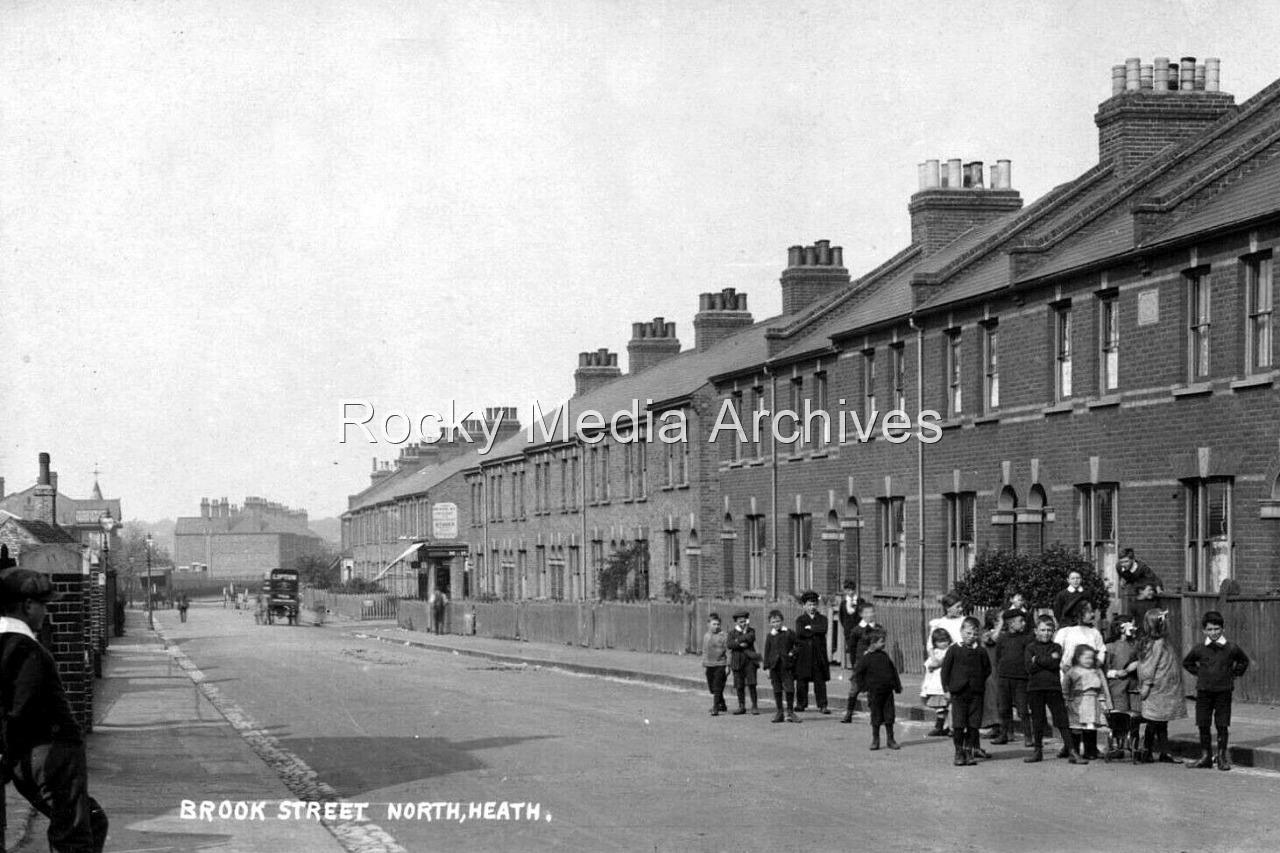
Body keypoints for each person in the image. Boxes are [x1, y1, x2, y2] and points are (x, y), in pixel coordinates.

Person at [0, 568, 109, 853]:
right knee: (73, 838)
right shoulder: (31, 652)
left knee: (94, 820)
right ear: (27, 606)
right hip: (51, 757)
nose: (46, 613)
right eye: (44, 605)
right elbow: (18, 710)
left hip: (30, 761)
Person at [1182, 610, 1250, 771]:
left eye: (1216, 629)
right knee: (1203, 723)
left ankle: (1221, 757)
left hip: (1223, 690)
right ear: (1204, 630)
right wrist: (1201, 674)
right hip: (1204, 690)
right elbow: (1187, 663)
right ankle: (1206, 756)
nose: (1213, 632)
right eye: (1210, 629)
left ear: (1222, 629)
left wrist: (1232, 674)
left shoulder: (1231, 648)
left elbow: (1243, 661)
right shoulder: (1199, 649)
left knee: (1222, 724)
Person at [1024, 615, 1080, 764]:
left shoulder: (1056, 647)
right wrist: (1047, 659)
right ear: (1035, 631)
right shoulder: (1030, 647)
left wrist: (1038, 660)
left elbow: (1055, 663)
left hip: (1053, 687)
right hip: (1035, 688)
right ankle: (1037, 751)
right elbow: (1029, 668)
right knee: (1037, 720)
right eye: (1042, 630)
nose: (1046, 633)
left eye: (1049, 630)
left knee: (1061, 719)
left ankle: (1072, 751)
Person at [1135, 608, 1186, 764]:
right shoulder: (1158, 643)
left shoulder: (1160, 642)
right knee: (1154, 720)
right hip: (1158, 687)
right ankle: (1147, 750)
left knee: (1160, 721)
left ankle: (1162, 751)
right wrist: (1147, 684)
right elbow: (1149, 666)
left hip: (1164, 687)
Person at [941, 616, 991, 766]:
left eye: (975, 634)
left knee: (973, 724)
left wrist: (978, 682)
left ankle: (969, 751)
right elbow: (945, 671)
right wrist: (946, 689)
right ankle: (959, 752)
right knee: (958, 724)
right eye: (968, 633)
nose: (971, 637)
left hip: (975, 693)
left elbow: (987, 669)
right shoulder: (954, 650)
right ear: (961, 631)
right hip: (958, 693)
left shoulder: (981, 651)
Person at [851, 627, 902, 750]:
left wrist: (897, 686)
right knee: (876, 716)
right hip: (874, 692)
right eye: (881, 641)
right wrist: (864, 687)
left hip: (887, 691)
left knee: (889, 716)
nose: (883, 643)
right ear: (873, 643)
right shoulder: (866, 658)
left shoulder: (884, 656)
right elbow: (858, 674)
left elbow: (893, 671)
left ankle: (891, 739)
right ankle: (876, 739)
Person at [1104, 616, 1142, 760]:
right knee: (1119, 716)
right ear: (1121, 628)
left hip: (1133, 686)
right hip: (1117, 686)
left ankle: (1134, 745)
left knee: (1134, 716)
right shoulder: (1110, 647)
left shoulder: (1137, 645)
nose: (1134, 629)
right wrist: (1116, 673)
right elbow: (1103, 669)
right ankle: (1118, 746)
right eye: (1130, 627)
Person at [992, 609, 1032, 746]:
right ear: (1010, 623)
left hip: (1021, 679)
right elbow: (998, 657)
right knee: (1004, 708)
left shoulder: (1026, 638)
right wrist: (1000, 673)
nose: (1023, 623)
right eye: (1020, 621)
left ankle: (1028, 737)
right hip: (1004, 678)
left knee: (1022, 709)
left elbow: (1028, 658)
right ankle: (1005, 734)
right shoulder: (1003, 638)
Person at [1064, 645, 1108, 761]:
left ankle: (1091, 751)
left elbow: (1102, 688)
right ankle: (1075, 752)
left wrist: (1103, 702)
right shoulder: (1072, 672)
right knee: (1076, 728)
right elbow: (1065, 688)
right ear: (1078, 658)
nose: (1089, 661)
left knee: (1090, 728)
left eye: (1091, 658)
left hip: (1092, 703)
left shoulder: (1096, 671)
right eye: (1086, 658)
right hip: (1077, 702)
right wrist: (1066, 700)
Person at [840, 600, 878, 724]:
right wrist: (854, 663)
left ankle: (875, 715)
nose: (870, 615)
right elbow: (852, 647)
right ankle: (849, 714)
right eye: (867, 613)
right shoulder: (857, 630)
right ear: (861, 615)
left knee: (873, 690)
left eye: (872, 612)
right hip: (860, 663)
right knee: (854, 689)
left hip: (873, 664)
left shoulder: (878, 628)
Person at [793, 591, 831, 714]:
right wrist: (813, 630)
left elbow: (823, 629)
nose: (812, 607)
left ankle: (822, 704)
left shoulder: (822, 619)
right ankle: (801, 703)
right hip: (804, 655)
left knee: (820, 681)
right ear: (804, 606)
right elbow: (800, 633)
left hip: (818, 654)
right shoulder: (800, 620)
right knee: (802, 681)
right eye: (809, 605)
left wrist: (811, 628)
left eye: (814, 604)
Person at [762, 610, 800, 723]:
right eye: (773, 622)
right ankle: (779, 712)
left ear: (782, 621)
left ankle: (790, 712)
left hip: (786, 665)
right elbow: (767, 651)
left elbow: (798, 645)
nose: (776, 624)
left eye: (778, 621)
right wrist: (767, 668)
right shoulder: (770, 636)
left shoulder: (789, 633)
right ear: (770, 623)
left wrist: (792, 653)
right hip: (774, 666)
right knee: (777, 689)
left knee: (789, 688)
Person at [726, 610, 760, 715]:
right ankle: (741, 706)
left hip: (750, 661)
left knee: (752, 683)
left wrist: (738, 639)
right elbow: (729, 644)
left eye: (745, 621)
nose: (743, 623)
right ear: (736, 622)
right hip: (737, 661)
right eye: (740, 622)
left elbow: (750, 638)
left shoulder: (751, 631)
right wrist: (739, 644)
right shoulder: (731, 633)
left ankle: (754, 705)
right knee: (739, 685)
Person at [921, 628, 952, 737]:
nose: (943, 643)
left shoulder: (950, 650)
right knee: (940, 707)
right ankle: (940, 726)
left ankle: (948, 727)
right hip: (936, 682)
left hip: (946, 682)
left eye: (945, 640)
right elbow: (929, 665)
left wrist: (935, 664)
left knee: (948, 706)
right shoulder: (934, 653)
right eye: (940, 641)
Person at [1116, 548, 1163, 615]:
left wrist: (1158, 589)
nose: (1123, 564)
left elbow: (1154, 579)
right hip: (1136, 591)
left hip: (1147, 591)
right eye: (1121, 562)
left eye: (1126, 561)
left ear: (1133, 560)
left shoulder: (1142, 567)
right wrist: (1122, 580)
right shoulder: (1118, 567)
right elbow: (1122, 576)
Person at [701, 613, 729, 716]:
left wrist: (728, 666)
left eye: (718, 624)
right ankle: (722, 704)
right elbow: (704, 650)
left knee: (717, 686)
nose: (716, 626)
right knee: (712, 688)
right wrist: (704, 664)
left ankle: (715, 708)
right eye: (714, 624)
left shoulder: (724, 635)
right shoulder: (706, 636)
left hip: (720, 664)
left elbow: (728, 651)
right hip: (709, 665)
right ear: (708, 624)